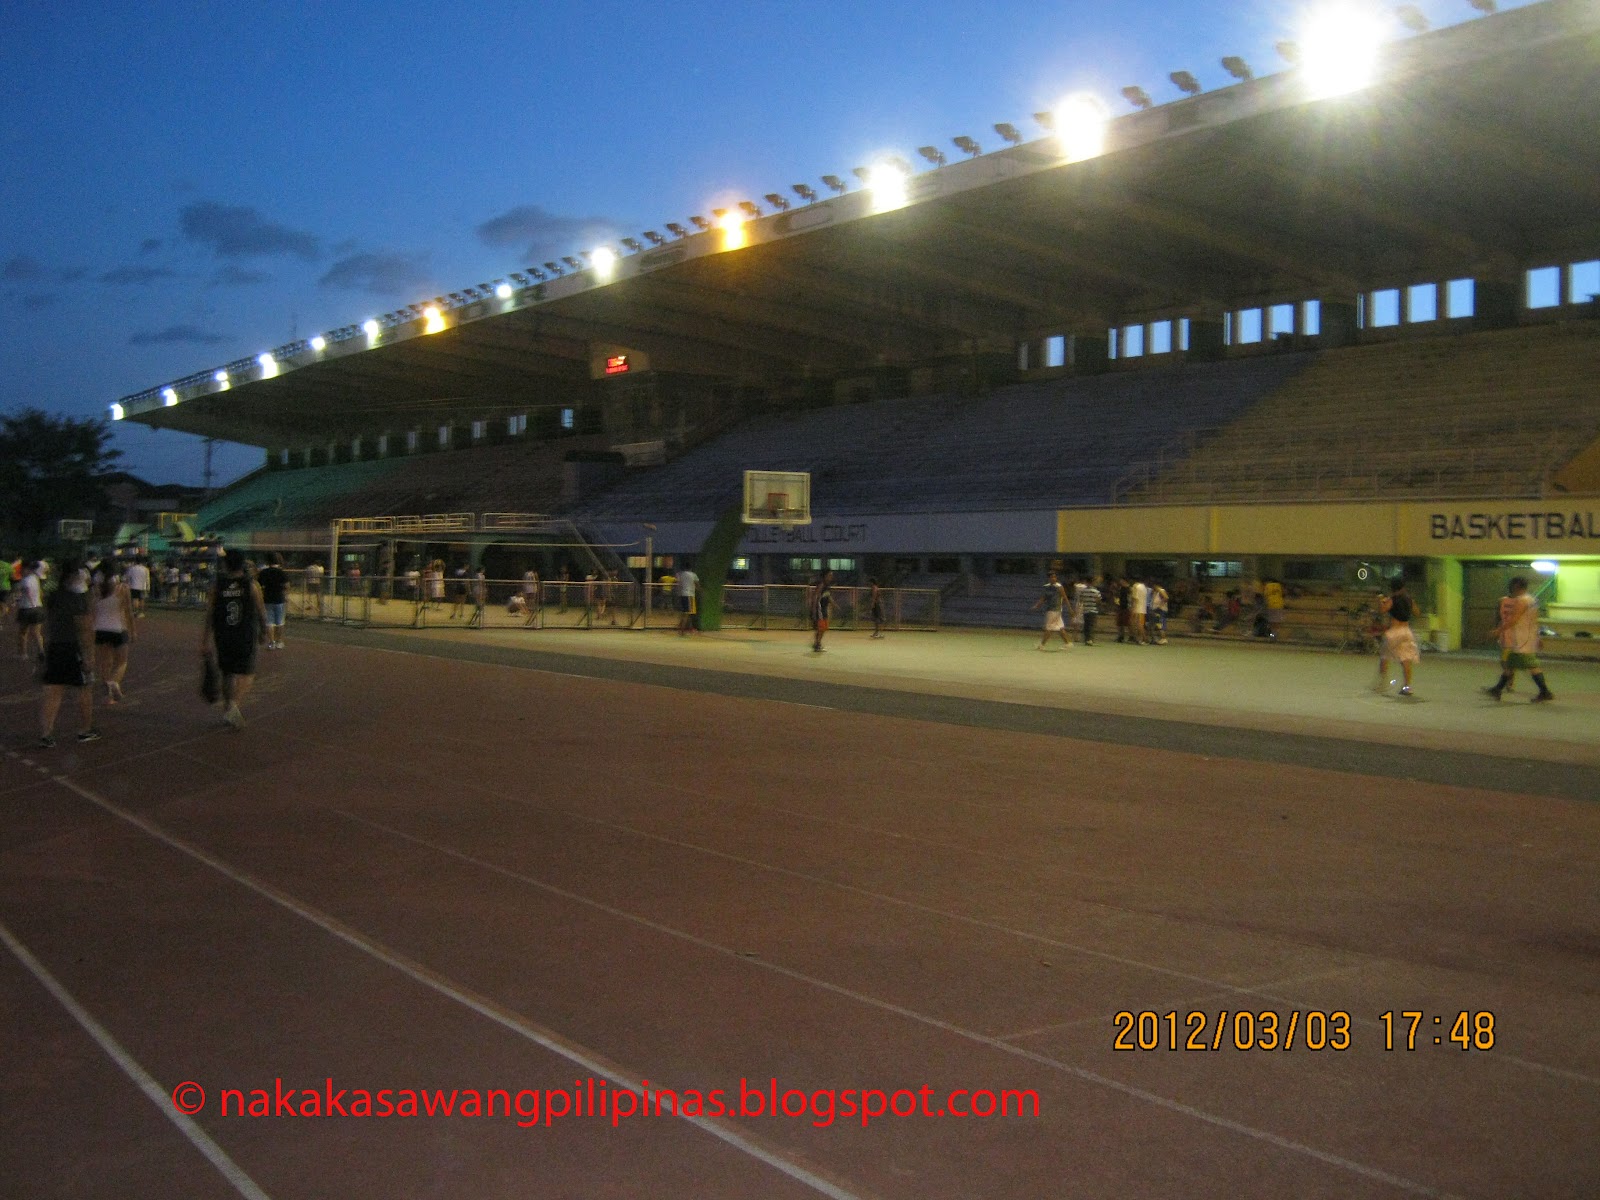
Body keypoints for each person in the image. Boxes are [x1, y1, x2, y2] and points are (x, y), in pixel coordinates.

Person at [201, 548, 268, 729]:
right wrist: (264, 632)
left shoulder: (217, 586)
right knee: (248, 673)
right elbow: (262, 612)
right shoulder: (251, 585)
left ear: (225, 564)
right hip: (244, 635)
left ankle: (227, 710)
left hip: (223, 635)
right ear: (242, 564)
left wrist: (205, 640)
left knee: (227, 673)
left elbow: (209, 615)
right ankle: (233, 706)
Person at [38, 560, 98, 746]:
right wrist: (89, 656)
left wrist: (44, 650)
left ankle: (47, 734)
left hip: (55, 647)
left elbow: (47, 625)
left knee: (53, 691)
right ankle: (85, 730)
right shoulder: (78, 599)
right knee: (84, 690)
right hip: (73, 648)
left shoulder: (53, 596)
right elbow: (84, 629)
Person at [1485, 576, 1554, 703]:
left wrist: (1498, 630)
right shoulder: (1532, 600)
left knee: (1532, 666)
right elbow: (1534, 621)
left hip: (1522, 639)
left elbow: (1514, 620)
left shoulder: (1521, 601)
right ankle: (1498, 688)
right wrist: (1537, 637)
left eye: (1512, 587)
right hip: (1528, 637)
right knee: (1510, 664)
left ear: (1516, 587)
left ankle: (1545, 691)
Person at [92, 563, 135, 704]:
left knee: (105, 663)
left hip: (99, 629)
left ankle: (108, 695)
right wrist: (133, 630)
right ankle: (113, 683)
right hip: (118, 629)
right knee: (122, 662)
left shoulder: (95, 589)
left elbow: (92, 611)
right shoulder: (122, 589)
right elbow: (129, 612)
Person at [1375, 577, 1420, 696]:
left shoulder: (1392, 599)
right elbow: (1417, 612)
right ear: (1403, 587)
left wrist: (1381, 600)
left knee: (1384, 656)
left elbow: (1383, 610)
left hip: (1394, 631)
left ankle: (1382, 684)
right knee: (1405, 660)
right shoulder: (1409, 599)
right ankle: (1407, 687)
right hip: (1407, 631)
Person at [1031, 570, 1073, 650]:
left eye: (1055, 577)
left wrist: (1070, 609)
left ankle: (1042, 645)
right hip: (1050, 609)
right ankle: (1068, 643)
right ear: (1049, 578)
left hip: (1055, 610)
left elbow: (1065, 598)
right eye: (1051, 577)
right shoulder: (1046, 587)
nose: (1053, 578)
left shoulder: (1059, 587)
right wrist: (1037, 606)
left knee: (1049, 628)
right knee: (1060, 628)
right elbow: (1043, 598)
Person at [257, 552, 289, 649]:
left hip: (267, 599)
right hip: (279, 599)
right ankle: (279, 641)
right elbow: (287, 586)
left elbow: (258, 585)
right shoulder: (281, 572)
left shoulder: (263, 572)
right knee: (280, 621)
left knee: (269, 622)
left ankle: (271, 642)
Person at [16, 560, 46, 661]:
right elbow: (41, 593)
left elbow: (21, 593)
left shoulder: (24, 581)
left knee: (23, 632)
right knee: (37, 633)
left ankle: (23, 654)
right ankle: (41, 651)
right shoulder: (36, 578)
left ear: (26, 569)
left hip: (26, 608)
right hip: (38, 607)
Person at [674, 564, 700, 636]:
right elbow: (697, 584)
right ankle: (682, 630)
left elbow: (678, 583)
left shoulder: (680, 574)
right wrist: (701, 591)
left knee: (685, 612)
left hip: (682, 594)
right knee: (687, 613)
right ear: (691, 568)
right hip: (690, 595)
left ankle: (686, 628)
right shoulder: (693, 575)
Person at [811, 569, 833, 652]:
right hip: (819, 608)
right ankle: (817, 644)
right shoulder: (821, 585)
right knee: (821, 628)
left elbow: (828, 597)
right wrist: (813, 610)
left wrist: (834, 605)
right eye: (830, 575)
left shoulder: (827, 586)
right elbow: (815, 597)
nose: (831, 577)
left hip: (824, 609)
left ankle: (817, 643)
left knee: (823, 627)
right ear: (825, 576)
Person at [1076, 576, 1101, 645]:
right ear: (1093, 582)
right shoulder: (1096, 591)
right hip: (1093, 610)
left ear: (1086, 582)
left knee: (1086, 625)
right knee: (1092, 625)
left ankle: (1086, 639)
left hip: (1085, 610)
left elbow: (1081, 600)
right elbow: (1098, 601)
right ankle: (1090, 639)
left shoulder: (1083, 591)